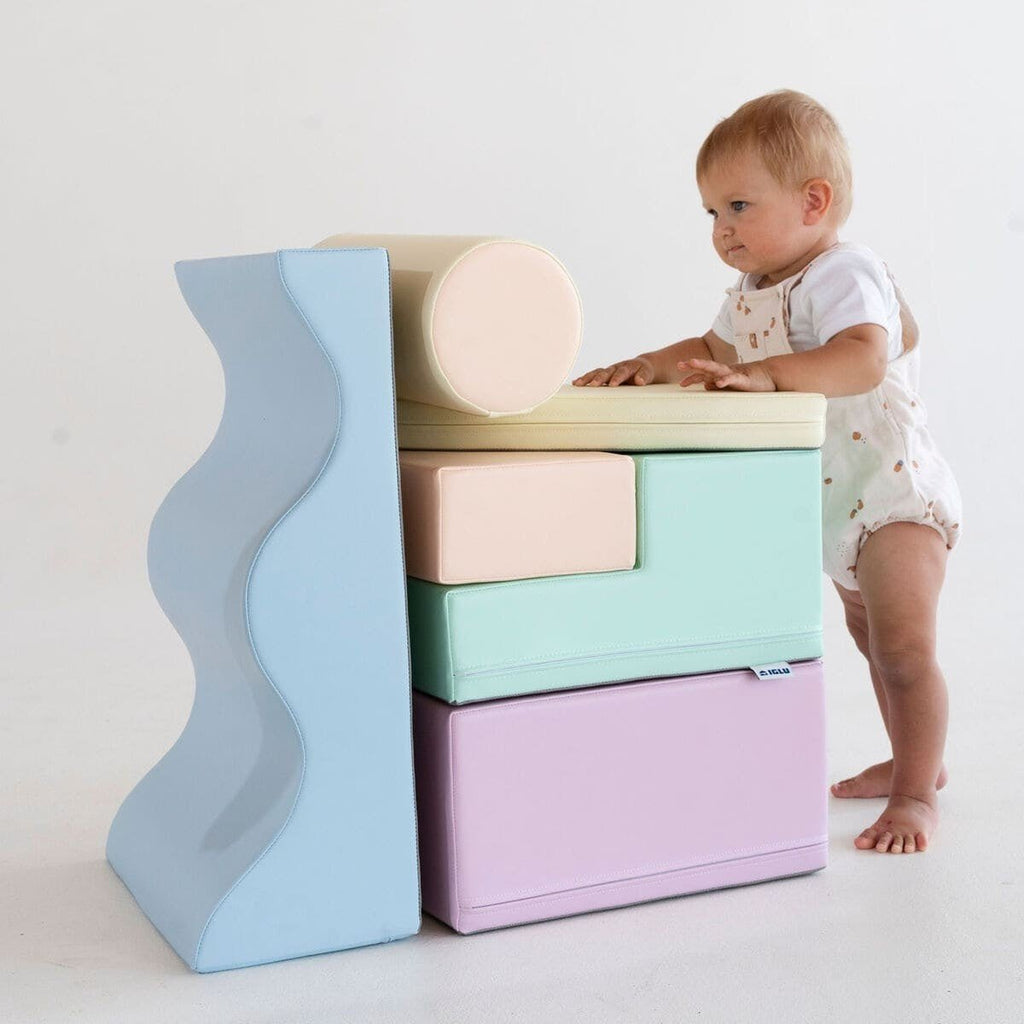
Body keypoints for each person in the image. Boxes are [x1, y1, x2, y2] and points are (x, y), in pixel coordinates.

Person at [573, 90, 961, 854]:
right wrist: (648, 365)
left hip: (892, 493)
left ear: (814, 201)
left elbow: (864, 356)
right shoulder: (755, 291)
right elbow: (717, 352)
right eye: (712, 213)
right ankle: (916, 758)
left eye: (739, 207)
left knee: (904, 650)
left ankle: (917, 794)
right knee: (871, 642)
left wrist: (774, 376)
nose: (722, 231)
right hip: (835, 504)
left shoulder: (843, 270)